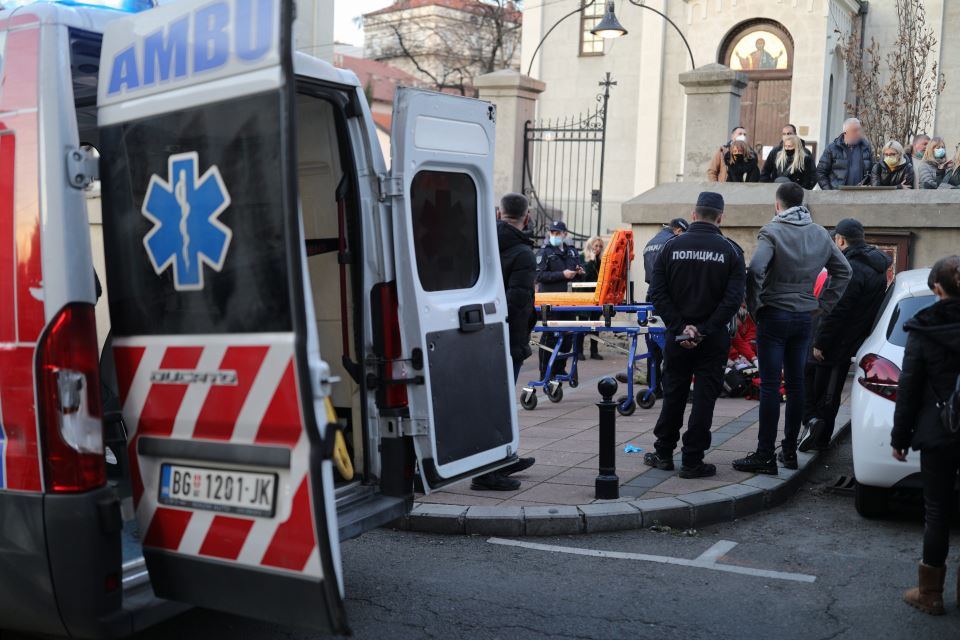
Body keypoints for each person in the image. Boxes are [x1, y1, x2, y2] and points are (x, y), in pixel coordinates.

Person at [733, 182, 851, 474]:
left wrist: (756, 305)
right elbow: (843, 272)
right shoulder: (821, 234)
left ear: (777, 204)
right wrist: (821, 305)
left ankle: (764, 454)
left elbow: (756, 269)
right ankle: (789, 452)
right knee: (797, 384)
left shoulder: (772, 232)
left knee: (771, 386)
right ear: (802, 203)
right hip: (803, 316)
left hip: (774, 314)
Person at [645, 192, 746, 479]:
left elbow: (657, 293)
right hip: (712, 338)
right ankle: (692, 459)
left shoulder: (670, 246)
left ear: (693, 214)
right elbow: (733, 300)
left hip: (678, 336)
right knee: (704, 398)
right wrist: (703, 330)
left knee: (674, 393)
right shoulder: (731, 251)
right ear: (720, 217)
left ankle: (663, 452)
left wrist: (680, 328)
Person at [890, 256, 960, 616]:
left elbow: (909, 388)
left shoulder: (923, 328)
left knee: (937, 511)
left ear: (936, 289)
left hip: (939, 433)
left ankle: (930, 593)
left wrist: (900, 437)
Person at [800, 219, 891, 452]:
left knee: (812, 384)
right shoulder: (876, 266)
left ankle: (813, 427)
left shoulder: (850, 267)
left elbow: (837, 308)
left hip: (833, 339)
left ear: (840, 240)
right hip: (850, 338)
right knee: (831, 391)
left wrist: (820, 341)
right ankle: (819, 436)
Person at [472, 193, 537, 491]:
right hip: (508, 336)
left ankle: (505, 457)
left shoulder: (480, 240)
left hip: (477, 331)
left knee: (489, 402)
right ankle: (487, 473)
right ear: (526, 217)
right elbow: (518, 299)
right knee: (499, 405)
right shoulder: (522, 252)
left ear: (499, 213)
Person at [641, 218, 689, 396]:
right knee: (674, 342)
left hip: (652, 296)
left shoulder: (650, 243)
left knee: (654, 344)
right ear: (678, 230)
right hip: (669, 297)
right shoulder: (673, 243)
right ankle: (674, 386)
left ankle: (654, 385)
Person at [535, 220, 583, 379]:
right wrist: (562, 275)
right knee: (549, 336)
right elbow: (539, 276)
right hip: (550, 301)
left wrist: (580, 272)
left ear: (565, 234)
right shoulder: (545, 252)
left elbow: (577, 272)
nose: (554, 235)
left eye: (557, 233)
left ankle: (559, 368)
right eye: (552, 232)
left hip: (568, 301)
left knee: (568, 336)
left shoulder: (571, 252)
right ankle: (545, 372)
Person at [815, 118, 874, 189]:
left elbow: (873, 172)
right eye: (855, 131)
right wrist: (829, 191)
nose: (858, 133)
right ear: (845, 133)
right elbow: (820, 172)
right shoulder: (832, 149)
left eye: (859, 130)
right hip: (838, 195)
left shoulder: (866, 148)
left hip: (860, 194)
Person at [575, 235, 604, 361]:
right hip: (584, 295)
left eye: (600, 246)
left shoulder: (600, 260)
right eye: (596, 246)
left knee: (595, 324)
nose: (597, 249)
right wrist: (591, 261)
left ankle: (594, 351)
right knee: (582, 323)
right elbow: (585, 277)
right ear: (590, 245)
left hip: (596, 297)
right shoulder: (582, 257)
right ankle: (578, 351)